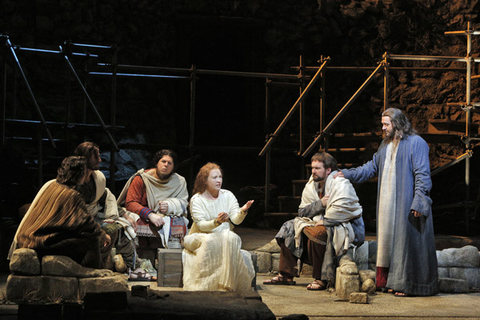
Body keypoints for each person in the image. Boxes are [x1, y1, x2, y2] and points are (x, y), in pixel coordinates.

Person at [336, 107, 438, 297]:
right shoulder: (384, 146)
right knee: (388, 244)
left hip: (406, 203)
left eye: (385, 124)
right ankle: (391, 282)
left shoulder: (416, 143)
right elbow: (370, 168)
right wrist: (347, 174)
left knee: (406, 244)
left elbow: (422, 174)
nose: (382, 128)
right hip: (387, 204)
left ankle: (408, 284)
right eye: (382, 124)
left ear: (397, 123)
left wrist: (420, 201)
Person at [264, 152, 364, 290]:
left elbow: (344, 208)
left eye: (317, 168)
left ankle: (321, 278)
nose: (313, 172)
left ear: (328, 170)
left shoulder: (341, 183)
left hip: (345, 226)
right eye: (312, 168)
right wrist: (320, 204)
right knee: (289, 227)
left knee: (317, 234)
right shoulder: (311, 185)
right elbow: (302, 212)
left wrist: (327, 220)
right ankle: (286, 274)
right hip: (318, 222)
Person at [9, 156, 110, 269]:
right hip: (40, 242)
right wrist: (102, 235)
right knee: (91, 240)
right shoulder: (71, 195)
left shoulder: (52, 185)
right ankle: (93, 275)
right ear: (80, 174)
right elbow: (85, 223)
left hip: (28, 237)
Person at [182, 162, 255, 292]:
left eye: (220, 177)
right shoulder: (197, 199)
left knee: (232, 238)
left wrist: (242, 211)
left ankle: (227, 285)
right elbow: (201, 226)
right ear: (205, 180)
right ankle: (207, 285)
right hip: (199, 236)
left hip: (224, 235)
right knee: (212, 241)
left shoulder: (227, 195)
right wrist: (217, 222)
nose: (218, 180)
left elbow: (236, 220)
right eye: (214, 177)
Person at [73, 142, 138, 273]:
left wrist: (124, 215)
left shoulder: (97, 178)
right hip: (77, 222)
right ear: (84, 158)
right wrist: (99, 231)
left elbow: (104, 194)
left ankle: (130, 266)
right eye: (95, 156)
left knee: (117, 228)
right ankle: (93, 266)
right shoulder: (75, 181)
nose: (100, 160)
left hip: (92, 219)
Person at [117, 149, 189, 262]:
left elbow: (184, 203)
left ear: (174, 166)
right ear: (157, 163)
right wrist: (149, 214)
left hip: (166, 215)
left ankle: (170, 263)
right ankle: (133, 261)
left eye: (170, 163)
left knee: (179, 223)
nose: (166, 165)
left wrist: (170, 206)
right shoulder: (142, 178)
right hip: (143, 214)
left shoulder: (179, 181)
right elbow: (130, 202)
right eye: (163, 161)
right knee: (129, 222)